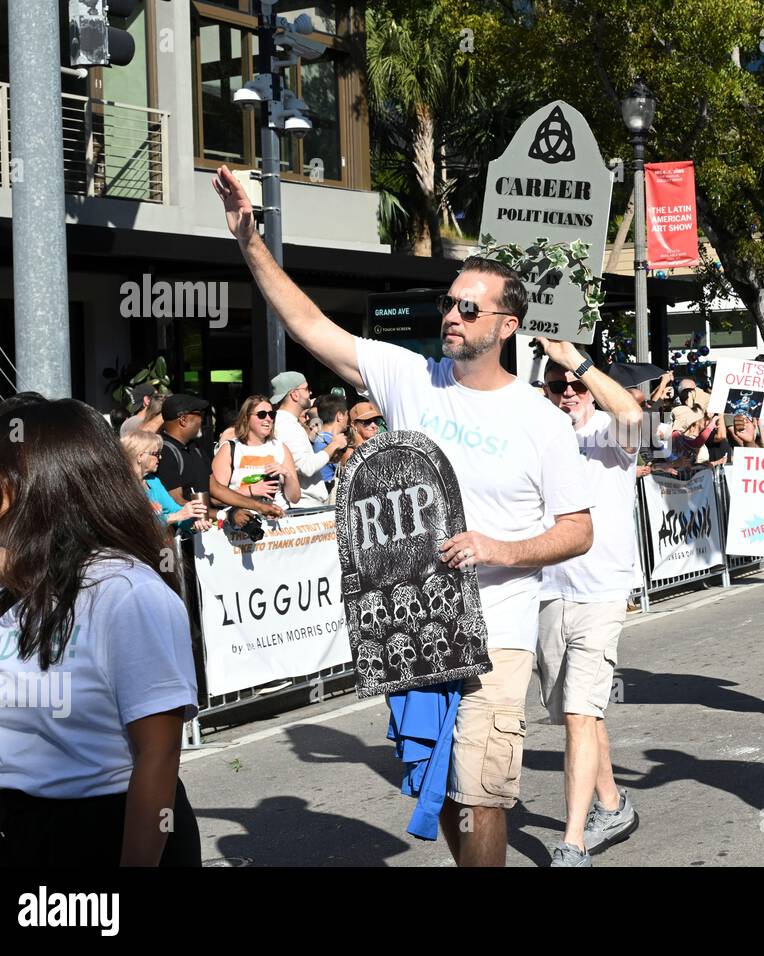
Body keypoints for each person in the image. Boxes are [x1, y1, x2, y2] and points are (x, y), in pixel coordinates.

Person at [214, 162, 593, 868]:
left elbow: (579, 529)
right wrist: (250, 241)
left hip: (497, 625)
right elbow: (307, 323)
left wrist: (498, 550)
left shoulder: (540, 421)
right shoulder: (411, 376)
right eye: (450, 303)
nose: (452, 315)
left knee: (483, 788)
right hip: (413, 622)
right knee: (445, 784)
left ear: (507, 326)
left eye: (469, 308)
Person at [0, 399, 202, 866]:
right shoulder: (12, 591)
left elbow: (157, 760)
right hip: (12, 830)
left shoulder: (128, 592)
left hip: (101, 833)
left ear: (41, 483)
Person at [536, 341, 643, 867]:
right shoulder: (536, 434)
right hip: (547, 592)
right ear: (547, 391)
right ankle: (613, 804)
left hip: (601, 592)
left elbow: (631, 413)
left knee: (580, 712)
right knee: (578, 713)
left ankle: (572, 841)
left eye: (577, 386)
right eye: (560, 386)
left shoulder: (606, 430)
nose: (571, 393)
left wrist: (576, 361)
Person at [212, 395, 302, 512]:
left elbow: (294, 498)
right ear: (246, 418)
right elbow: (215, 498)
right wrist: (250, 490)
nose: (268, 419)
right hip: (241, 521)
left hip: (278, 522)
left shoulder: (280, 448)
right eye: (262, 414)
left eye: (272, 414)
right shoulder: (230, 449)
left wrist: (287, 475)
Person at [269, 372, 347, 505]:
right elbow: (305, 467)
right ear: (294, 394)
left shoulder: (289, 423)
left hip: (306, 505)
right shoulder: (286, 425)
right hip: (303, 507)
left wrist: (327, 458)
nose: (310, 393)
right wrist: (333, 445)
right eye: (306, 389)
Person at [120, 429, 209, 532]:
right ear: (140, 456)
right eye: (156, 454)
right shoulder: (121, 486)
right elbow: (136, 523)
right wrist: (175, 516)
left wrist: (194, 522)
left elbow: (176, 510)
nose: (161, 457)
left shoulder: (153, 481)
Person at [312, 397, 350, 491]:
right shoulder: (328, 442)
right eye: (347, 414)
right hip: (326, 498)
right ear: (340, 415)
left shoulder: (319, 438)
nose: (348, 419)